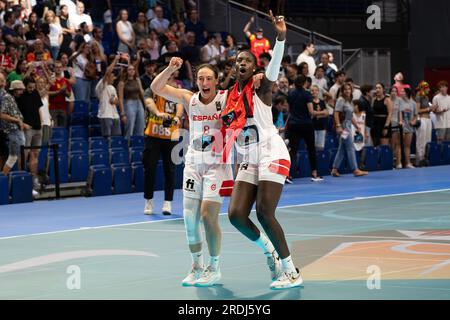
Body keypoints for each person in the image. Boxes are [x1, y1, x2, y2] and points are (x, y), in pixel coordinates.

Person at [222, 12, 303, 290]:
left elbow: (274, 67)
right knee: (235, 214)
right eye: (237, 61)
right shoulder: (229, 96)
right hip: (249, 157)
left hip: (271, 151)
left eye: (246, 60)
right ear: (234, 69)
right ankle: (269, 248)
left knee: (265, 212)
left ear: (254, 66)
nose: (241, 63)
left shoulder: (262, 87)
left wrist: (280, 36)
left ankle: (291, 270)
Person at [151, 59, 234, 287]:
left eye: (209, 78)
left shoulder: (225, 98)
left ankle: (214, 267)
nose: (204, 82)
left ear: (217, 81)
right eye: (200, 78)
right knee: (189, 220)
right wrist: (170, 69)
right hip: (193, 164)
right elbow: (156, 88)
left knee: (208, 216)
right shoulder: (189, 98)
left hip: (217, 165)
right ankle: (197, 266)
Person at [286, 75, 326, 182]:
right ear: (305, 83)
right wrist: (323, 112)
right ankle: (314, 173)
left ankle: (287, 175)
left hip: (293, 125)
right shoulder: (307, 94)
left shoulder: (291, 93)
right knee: (311, 149)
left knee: (292, 151)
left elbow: (289, 110)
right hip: (306, 125)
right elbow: (311, 112)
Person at [330, 83, 368, 177]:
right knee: (350, 147)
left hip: (348, 125)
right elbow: (336, 113)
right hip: (344, 127)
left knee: (342, 149)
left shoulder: (350, 101)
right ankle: (355, 169)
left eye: (349, 89)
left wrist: (357, 126)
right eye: (345, 89)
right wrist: (338, 126)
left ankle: (334, 169)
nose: (347, 91)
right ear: (342, 91)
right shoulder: (341, 100)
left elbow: (350, 116)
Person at [0, 78, 27, 176]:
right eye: (19, 89)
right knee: (13, 157)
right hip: (12, 130)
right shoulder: (8, 97)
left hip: (15, 129)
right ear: (13, 90)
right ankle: (2, 179)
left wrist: (22, 123)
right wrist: (18, 121)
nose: (22, 92)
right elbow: (2, 114)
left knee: (16, 156)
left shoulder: (11, 98)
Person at [95, 55, 121, 137]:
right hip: (105, 115)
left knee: (116, 139)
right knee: (107, 139)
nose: (114, 78)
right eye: (112, 76)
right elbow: (108, 72)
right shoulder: (101, 84)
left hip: (115, 115)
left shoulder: (112, 87)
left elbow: (117, 102)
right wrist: (116, 60)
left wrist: (115, 101)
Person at [415, 81, 434, 166]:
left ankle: (426, 158)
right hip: (422, 119)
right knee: (421, 140)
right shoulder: (418, 96)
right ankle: (420, 159)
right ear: (423, 88)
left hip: (428, 119)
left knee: (427, 140)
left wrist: (432, 109)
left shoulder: (426, 97)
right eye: (427, 88)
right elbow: (417, 110)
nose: (429, 90)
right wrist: (428, 109)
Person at [372, 83, 393, 147]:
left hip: (384, 122)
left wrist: (386, 127)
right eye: (376, 88)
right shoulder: (373, 99)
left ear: (383, 89)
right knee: (375, 145)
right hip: (375, 124)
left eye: (379, 88)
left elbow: (390, 113)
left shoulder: (387, 100)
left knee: (383, 146)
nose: (377, 89)